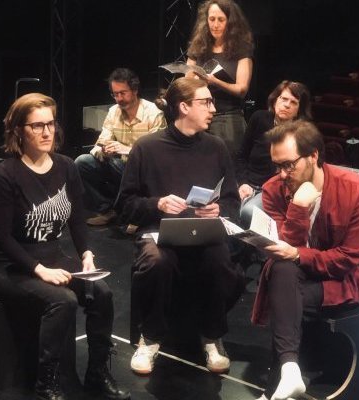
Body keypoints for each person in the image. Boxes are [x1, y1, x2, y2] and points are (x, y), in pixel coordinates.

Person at [0, 93, 130, 400]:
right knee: (62, 300)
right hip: (9, 265)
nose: (46, 132)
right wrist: (40, 270)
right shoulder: (4, 175)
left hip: (52, 256)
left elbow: (77, 220)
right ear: (19, 131)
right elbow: (3, 238)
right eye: (37, 126)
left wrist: (87, 255)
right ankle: (46, 382)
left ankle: (97, 372)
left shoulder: (66, 166)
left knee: (102, 293)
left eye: (50, 124)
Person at [117, 77, 244, 375]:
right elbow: (124, 206)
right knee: (157, 261)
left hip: (204, 233)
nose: (213, 109)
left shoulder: (216, 147)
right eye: (206, 102)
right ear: (184, 107)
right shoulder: (147, 148)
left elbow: (232, 201)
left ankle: (211, 336)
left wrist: (219, 209)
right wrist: (157, 204)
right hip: (159, 233)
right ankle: (150, 338)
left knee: (220, 260)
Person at [251, 120, 359, 400]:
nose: (282, 174)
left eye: (289, 165)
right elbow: (282, 247)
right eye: (277, 166)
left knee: (284, 296)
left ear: (313, 156)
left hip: (341, 280)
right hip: (296, 274)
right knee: (282, 271)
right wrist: (298, 207)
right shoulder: (273, 190)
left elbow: (349, 259)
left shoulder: (356, 190)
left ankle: (278, 383)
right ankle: (290, 372)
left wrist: (298, 254)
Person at [75, 67, 166, 226]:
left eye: (123, 93)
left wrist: (127, 150)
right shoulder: (113, 112)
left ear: (135, 90)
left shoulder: (153, 113)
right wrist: (104, 151)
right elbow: (98, 145)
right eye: (115, 94)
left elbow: (157, 153)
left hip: (143, 171)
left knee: (119, 164)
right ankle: (108, 210)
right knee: (82, 162)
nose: (119, 98)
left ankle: (127, 211)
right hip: (118, 165)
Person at [236, 80, 311, 229]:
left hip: (274, 191)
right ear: (275, 100)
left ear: (299, 109)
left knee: (248, 212)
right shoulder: (259, 118)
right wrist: (243, 182)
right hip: (248, 184)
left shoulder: (302, 133)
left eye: (293, 102)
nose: (287, 105)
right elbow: (241, 156)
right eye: (283, 99)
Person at [186, 0, 254, 158]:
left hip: (227, 117)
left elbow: (242, 89)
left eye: (221, 20)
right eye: (211, 19)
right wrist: (196, 79)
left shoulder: (241, 50)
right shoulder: (198, 46)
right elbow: (187, 79)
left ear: (230, 22)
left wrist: (216, 81)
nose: (215, 25)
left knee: (225, 162)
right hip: (198, 114)